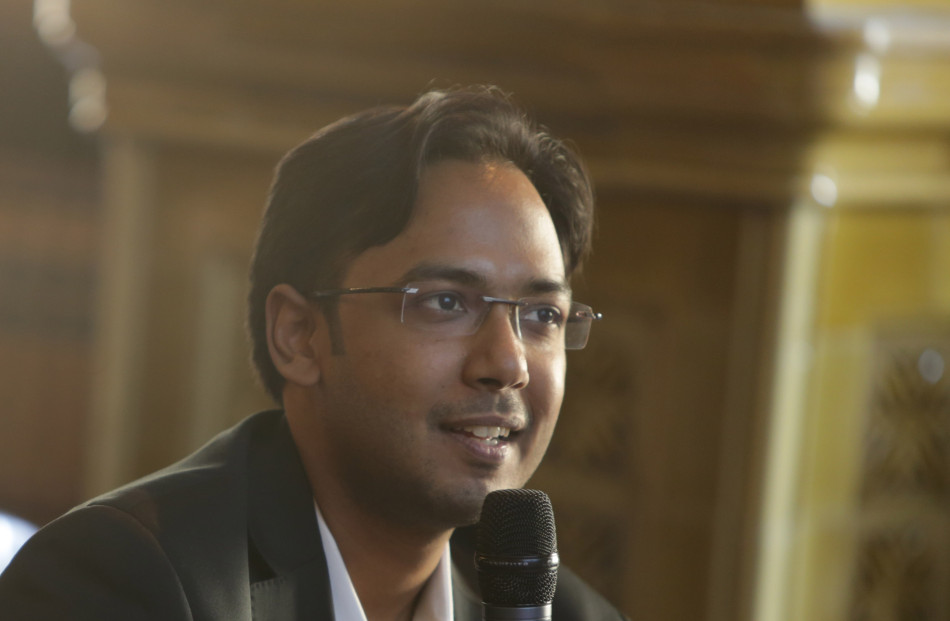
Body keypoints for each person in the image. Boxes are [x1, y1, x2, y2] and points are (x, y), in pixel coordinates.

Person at [0, 86, 626, 620]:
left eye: (542, 316)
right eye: (445, 302)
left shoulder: (573, 614)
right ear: (298, 335)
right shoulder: (121, 579)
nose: (509, 364)